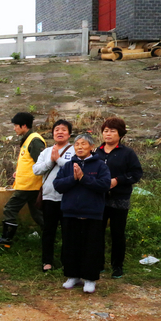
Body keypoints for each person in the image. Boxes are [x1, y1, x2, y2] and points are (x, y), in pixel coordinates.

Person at [54, 134, 111, 293]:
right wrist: (73, 178)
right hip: (70, 212)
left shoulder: (100, 166)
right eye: (77, 144)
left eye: (83, 144)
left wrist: (84, 178)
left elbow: (104, 185)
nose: (79, 147)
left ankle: (90, 279)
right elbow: (58, 185)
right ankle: (73, 276)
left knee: (91, 247)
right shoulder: (67, 165)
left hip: (92, 213)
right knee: (71, 246)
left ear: (91, 147)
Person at [94, 117, 143, 278]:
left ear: (120, 134)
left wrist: (118, 180)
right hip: (99, 199)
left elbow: (136, 173)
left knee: (117, 233)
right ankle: (98, 263)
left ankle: (117, 266)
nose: (108, 134)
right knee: (97, 232)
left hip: (119, 198)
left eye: (112, 131)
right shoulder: (97, 152)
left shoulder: (127, 153)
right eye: (106, 131)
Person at [0, 112, 46, 247]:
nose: (14, 128)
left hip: (29, 185)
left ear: (24, 126)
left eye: (16, 125)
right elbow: (29, 162)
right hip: (28, 184)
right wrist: (19, 172)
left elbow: (42, 163)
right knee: (37, 213)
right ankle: (50, 235)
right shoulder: (28, 139)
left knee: (10, 208)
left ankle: (7, 238)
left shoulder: (34, 140)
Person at [32, 120, 75, 272]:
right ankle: (47, 261)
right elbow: (36, 170)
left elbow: (75, 168)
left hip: (68, 198)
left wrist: (59, 160)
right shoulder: (45, 152)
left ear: (69, 134)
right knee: (48, 231)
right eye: (57, 130)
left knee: (68, 231)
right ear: (53, 133)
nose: (60, 132)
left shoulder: (75, 150)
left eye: (63, 130)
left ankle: (67, 261)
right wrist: (51, 161)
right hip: (49, 197)